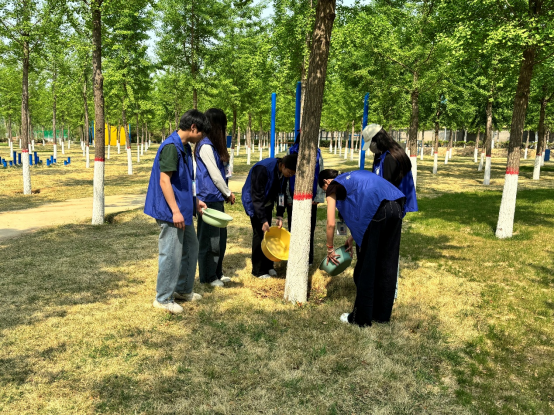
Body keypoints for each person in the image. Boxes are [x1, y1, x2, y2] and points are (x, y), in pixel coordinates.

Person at [319, 169, 406, 327]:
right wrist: (352, 237)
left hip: (377, 211)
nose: (328, 194)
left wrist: (330, 248)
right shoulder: (354, 177)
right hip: (396, 207)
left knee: (366, 266)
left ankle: (361, 318)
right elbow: (362, 206)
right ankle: (382, 315)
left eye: (324, 190)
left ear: (326, 182)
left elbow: (330, 223)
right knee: (387, 262)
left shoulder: (333, 186)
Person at [144, 110, 210, 314]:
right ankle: (163, 298)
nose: (202, 137)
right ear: (193, 128)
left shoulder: (185, 147)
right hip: (170, 211)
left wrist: (194, 201)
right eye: (202, 133)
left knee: (191, 247)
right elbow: (165, 181)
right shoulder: (171, 147)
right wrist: (175, 211)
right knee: (171, 253)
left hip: (182, 209)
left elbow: (183, 182)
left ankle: (182, 289)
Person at [195, 108, 236, 288]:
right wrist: (228, 193)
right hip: (208, 198)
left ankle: (217, 272)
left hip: (216, 198)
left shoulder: (212, 145)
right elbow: (215, 175)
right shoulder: (205, 146)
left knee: (219, 239)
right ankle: (208, 276)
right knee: (209, 240)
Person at [242, 154, 298, 279]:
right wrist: (263, 220)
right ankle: (258, 270)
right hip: (254, 202)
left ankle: (268, 265)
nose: (290, 175)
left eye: (292, 174)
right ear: (283, 166)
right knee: (259, 234)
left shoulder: (283, 174)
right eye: (290, 172)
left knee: (269, 234)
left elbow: (281, 194)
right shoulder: (263, 169)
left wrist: (280, 215)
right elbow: (257, 196)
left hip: (267, 202)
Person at [286, 133, 325, 266]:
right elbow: (287, 177)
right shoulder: (291, 152)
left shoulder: (317, 154)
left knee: (309, 228)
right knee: (293, 227)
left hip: (311, 198)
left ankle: (308, 258)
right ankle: (293, 255)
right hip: (294, 197)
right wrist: (288, 197)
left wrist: (319, 196)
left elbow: (321, 173)